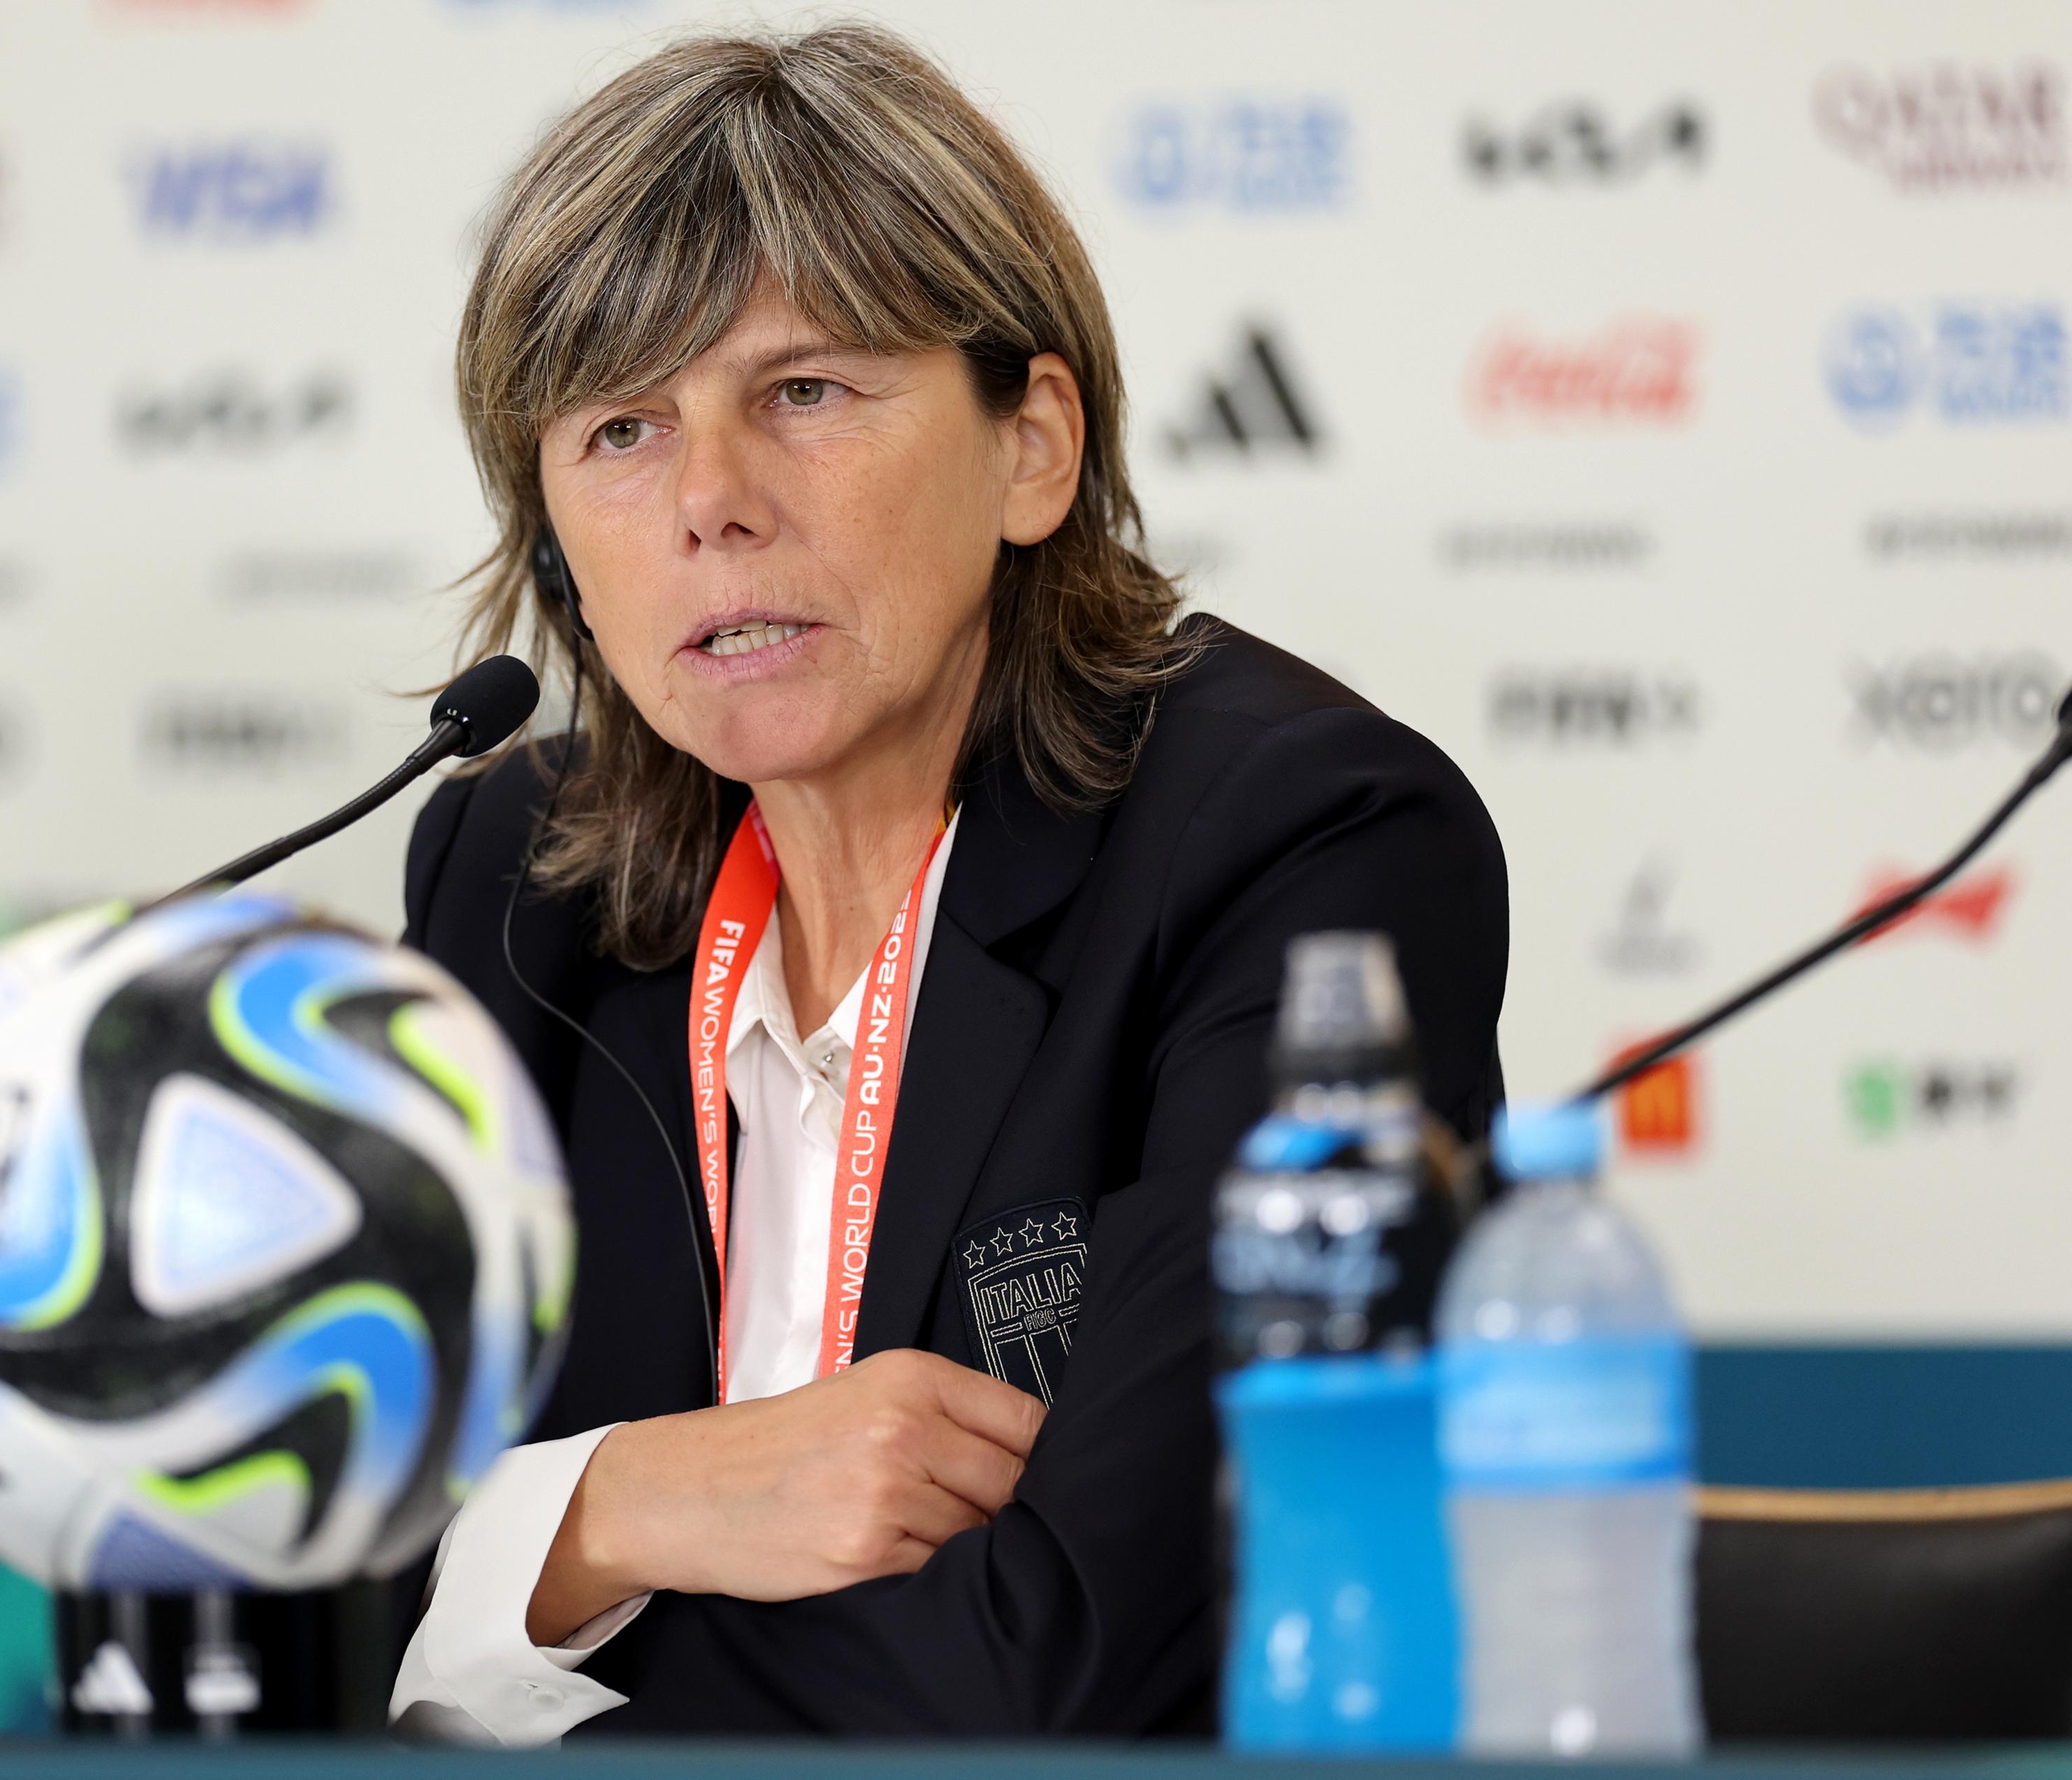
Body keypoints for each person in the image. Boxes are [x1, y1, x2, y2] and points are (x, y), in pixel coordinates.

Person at [388, 23, 1507, 1742]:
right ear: (557, 548)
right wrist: (614, 1507)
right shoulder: (512, 880)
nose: (711, 501)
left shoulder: (1300, 849)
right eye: (620, 428)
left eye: (804, 391)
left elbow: (1070, 1666)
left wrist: (498, 1624)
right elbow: (294, 1605)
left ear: (1032, 445)